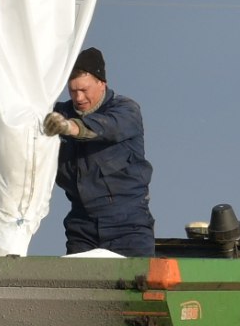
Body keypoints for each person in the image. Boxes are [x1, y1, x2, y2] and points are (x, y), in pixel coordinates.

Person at [41, 48, 156, 255]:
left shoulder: (126, 110)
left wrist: (69, 127)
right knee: (77, 286)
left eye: (84, 90)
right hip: (81, 227)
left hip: (127, 225)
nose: (78, 97)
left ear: (102, 84)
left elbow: (107, 127)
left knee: (137, 284)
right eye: (73, 90)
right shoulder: (57, 113)